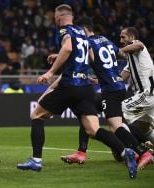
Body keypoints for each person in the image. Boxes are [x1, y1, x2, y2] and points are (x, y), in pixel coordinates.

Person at [16, 4, 137, 179]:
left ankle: (36, 160)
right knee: (93, 129)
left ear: (58, 18)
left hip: (69, 85)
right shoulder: (82, 33)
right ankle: (126, 153)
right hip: (85, 88)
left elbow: (68, 48)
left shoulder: (65, 31)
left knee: (37, 116)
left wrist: (50, 72)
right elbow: (90, 56)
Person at [60, 18, 154, 169]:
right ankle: (81, 152)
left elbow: (79, 58)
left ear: (85, 30)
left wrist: (59, 58)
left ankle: (142, 152)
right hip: (117, 86)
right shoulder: (106, 40)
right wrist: (100, 77)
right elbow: (117, 55)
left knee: (116, 126)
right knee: (88, 110)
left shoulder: (88, 43)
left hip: (110, 90)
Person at [119, 27, 154, 155]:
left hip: (147, 93)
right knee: (145, 129)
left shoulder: (137, 44)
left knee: (117, 112)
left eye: (123, 37)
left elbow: (139, 45)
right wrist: (99, 81)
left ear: (131, 37)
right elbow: (120, 78)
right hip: (151, 96)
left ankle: (138, 151)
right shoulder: (131, 59)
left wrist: (118, 50)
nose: (121, 40)